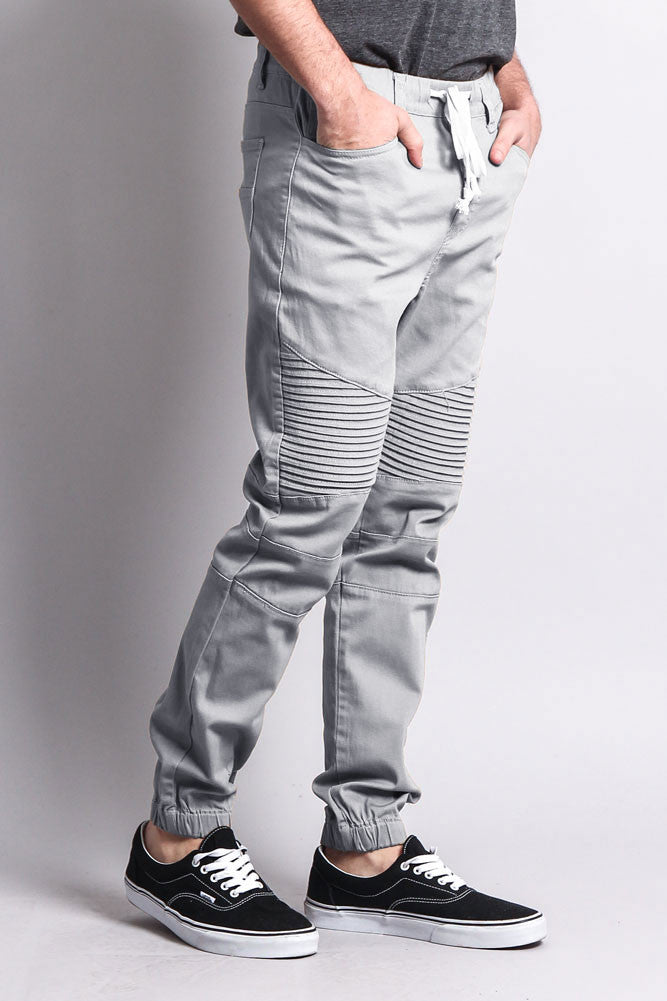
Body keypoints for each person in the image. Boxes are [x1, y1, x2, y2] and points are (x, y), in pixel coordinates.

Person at [124, 0, 546, 958]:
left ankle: (367, 845)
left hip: (473, 143)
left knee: (406, 514)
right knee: (306, 509)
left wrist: (509, 77)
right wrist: (338, 91)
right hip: (343, 137)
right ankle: (176, 832)